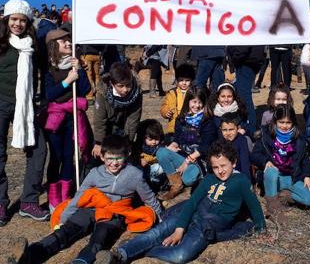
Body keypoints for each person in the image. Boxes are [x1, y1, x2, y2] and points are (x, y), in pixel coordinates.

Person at [97, 139, 266, 264]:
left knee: (179, 256)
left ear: (234, 163)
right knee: (156, 233)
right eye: (215, 167)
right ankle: (120, 254)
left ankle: (144, 251)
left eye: (224, 165)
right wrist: (179, 229)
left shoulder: (241, 181)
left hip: (206, 226)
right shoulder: (208, 179)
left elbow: (255, 207)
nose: (220, 171)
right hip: (193, 213)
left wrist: (261, 229)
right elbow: (192, 203)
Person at [9, 136, 162, 264]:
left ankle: (81, 261)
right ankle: (30, 254)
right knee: (65, 232)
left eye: (119, 158)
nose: (114, 163)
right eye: (109, 158)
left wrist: (161, 218)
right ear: (102, 157)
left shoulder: (134, 174)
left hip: (115, 212)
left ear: (126, 156)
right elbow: (79, 197)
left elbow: (148, 197)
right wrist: (64, 219)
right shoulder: (95, 173)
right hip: (91, 207)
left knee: (99, 240)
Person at [0, 0, 49, 226]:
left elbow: (45, 72)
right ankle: (0, 203)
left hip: (26, 105)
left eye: (22, 20)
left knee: (38, 150)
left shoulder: (33, 45)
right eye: (14, 19)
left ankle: (29, 201)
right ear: (6, 20)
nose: (18, 24)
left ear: (28, 22)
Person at [43, 29, 92, 211]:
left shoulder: (74, 65)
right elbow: (49, 94)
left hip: (72, 118)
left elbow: (85, 89)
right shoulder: (49, 69)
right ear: (54, 45)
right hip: (55, 120)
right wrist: (67, 81)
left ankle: (66, 196)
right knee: (55, 158)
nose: (68, 43)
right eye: (63, 41)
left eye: (69, 41)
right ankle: (54, 198)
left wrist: (79, 72)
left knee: (68, 156)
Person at [251, 104, 310, 223]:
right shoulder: (266, 134)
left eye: (288, 122)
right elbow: (254, 155)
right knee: (272, 171)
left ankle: (282, 195)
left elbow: (304, 160)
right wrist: (266, 161)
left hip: (291, 177)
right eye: (281, 122)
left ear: (293, 123)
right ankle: (273, 209)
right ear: (275, 121)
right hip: (272, 177)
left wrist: (307, 175)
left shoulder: (299, 139)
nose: (284, 126)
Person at [156, 86, 217, 200]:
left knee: (188, 180)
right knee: (161, 152)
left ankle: (195, 177)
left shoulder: (207, 121)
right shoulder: (181, 119)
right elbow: (177, 139)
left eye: (200, 102)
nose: (197, 106)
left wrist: (188, 161)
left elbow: (206, 146)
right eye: (194, 102)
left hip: (199, 159)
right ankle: (176, 186)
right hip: (182, 154)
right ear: (188, 101)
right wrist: (173, 145)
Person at [92, 62, 143, 158]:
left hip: (124, 127)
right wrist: (99, 143)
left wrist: (128, 142)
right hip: (107, 126)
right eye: (121, 86)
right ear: (112, 83)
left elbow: (133, 120)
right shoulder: (102, 93)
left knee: (123, 156)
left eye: (128, 85)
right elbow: (100, 120)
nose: (125, 90)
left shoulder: (137, 93)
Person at [226, 45, 264, 137]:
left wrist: (234, 57)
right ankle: (246, 124)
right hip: (249, 59)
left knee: (244, 96)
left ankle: (251, 128)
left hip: (247, 61)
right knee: (241, 93)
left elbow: (243, 47)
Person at [160, 63, 195, 135]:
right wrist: (165, 112)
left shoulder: (195, 93)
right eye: (181, 80)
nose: (184, 83)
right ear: (177, 81)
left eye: (187, 80)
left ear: (192, 80)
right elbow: (164, 106)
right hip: (174, 129)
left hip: (191, 127)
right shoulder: (171, 93)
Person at [218, 112, 252, 180]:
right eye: (224, 130)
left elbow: (245, 164)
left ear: (238, 128)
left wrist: (247, 182)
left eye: (231, 129)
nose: (228, 133)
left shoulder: (242, 141)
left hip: (238, 175)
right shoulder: (219, 142)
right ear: (220, 129)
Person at [134, 119, 166, 190]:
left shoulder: (161, 146)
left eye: (157, 139)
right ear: (143, 138)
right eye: (150, 139)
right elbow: (136, 155)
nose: (154, 142)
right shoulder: (139, 146)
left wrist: (147, 159)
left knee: (159, 168)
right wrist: (140, 159)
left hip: (154, 168)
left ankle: (155, 184)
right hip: (143, 168)